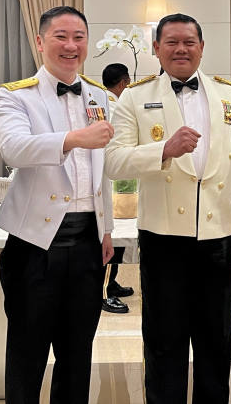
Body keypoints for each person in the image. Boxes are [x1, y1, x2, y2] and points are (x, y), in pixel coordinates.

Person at [105, 13, 231, 404]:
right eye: (172, 42)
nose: (181, 49)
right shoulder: (134, 97)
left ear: (202, 47)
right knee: (163, 343)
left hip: (220, 238)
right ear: (157, 49)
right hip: (163, 240)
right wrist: (163, 149)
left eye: (189, 42)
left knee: (215, 343)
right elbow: (113, 160)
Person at [0, 5, 115, 404]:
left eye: (78, 37)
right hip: (35, 244)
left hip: (87, 244)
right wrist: (74, 138)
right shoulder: (16, 95)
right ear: (40, 41)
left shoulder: (98, 95)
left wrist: (107, 229)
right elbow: (13, 149)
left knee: (77, 354)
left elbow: (104, 171)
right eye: (61, 36)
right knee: (27, 355)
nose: (70, 45)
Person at [101, 62, 134, 314]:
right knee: (113, 237)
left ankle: (111, 283)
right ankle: (104, 291)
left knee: (119, 238)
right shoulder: (114, 108)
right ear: (123, 83)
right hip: (113, 183)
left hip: (118, 181)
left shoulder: (105, 104)